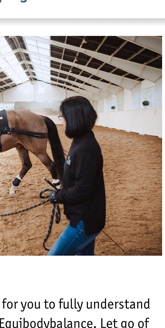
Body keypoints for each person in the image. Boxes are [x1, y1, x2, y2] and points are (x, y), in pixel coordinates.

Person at [47, 96, 105, 256]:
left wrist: (57, 195)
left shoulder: (85, 148)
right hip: (84, 216)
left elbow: (82, 190)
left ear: (73, 118)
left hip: (83, 221)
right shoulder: (80, 141)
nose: (61, 121)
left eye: (62, 117)